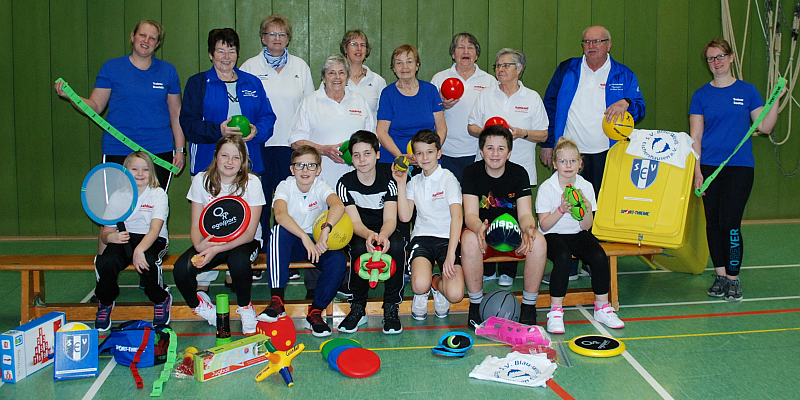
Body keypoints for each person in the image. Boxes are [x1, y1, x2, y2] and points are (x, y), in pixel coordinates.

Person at [180, 28, 276, 292]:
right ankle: (203, 276)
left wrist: (258, 131)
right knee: (212, 220)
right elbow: (187, 124)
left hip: (248, 164)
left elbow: (269, 116)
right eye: (220, 50)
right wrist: (217, 131)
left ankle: (237, 268)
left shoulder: (252, 82)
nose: (226, 56)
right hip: (210, 167)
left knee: (243, 219)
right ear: (211, 54)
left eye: (231, 50)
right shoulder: (198, 83)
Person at [690, 38, 782, 301]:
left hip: (739, 168)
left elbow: (764, 128)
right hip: (708, 169)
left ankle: (733, 277)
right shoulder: (701, 95)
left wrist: (775, 100)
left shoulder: (748, 91)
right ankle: (720, 276)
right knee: (713, 223)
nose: (716, 62)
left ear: (731, 58)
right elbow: (695, 137)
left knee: (730, 223)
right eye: (711, 58)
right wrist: (697, 171)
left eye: (721, 56)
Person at [54, 20, 185, 190]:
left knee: (153, 208)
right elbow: (95, 106)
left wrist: (180, 149)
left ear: (158, 44)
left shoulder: (168, 71)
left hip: (159, 148)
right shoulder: (112, 68)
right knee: (119, 210)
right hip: (118, 148)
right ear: (132, 37)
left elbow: (176, 112)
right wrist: (71, 96)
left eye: (152, 38)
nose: (146, 41)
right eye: (142, 35)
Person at [467, 48, 547, 286]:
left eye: (506, 65)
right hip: (488, 169)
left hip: (519, 169)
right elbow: (471, 126)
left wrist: (521, 133)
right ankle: (487, 264)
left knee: (512, 214)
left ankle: (508, 270)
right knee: (488, 211)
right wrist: (492, 137)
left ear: (519, 69)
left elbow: (543, 134)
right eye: (498, 66)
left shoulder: (532, 97)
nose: (500, 70)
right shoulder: (486, 95)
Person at [172, 136, 266, 335]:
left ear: (243, 161)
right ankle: (201, 307)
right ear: (216, 156)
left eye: (236, 157)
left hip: (245, 242)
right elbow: (195, 226)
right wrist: (200, 247)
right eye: (225, 155)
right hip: (210, 242)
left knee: (239, 262)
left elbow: (249, 234)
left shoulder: (253, 182)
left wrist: (216, 250)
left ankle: (245, 307)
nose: (230, 162)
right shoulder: (201, 180)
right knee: (182, 268)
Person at [460, 126, 547, 328]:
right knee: (468, 240)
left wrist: (528, 229)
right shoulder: (471, 172)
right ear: (481, 152)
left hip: (513, 238)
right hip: (484, 235)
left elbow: (525, 214)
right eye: (490, 148)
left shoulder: (519, 173)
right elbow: (470, 215)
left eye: (501, 148)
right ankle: (476, 305)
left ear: (509, 153)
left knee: (539, 241)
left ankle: (528, 306)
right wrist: (479, 228)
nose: (495, 153)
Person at [541, 25, 645, 193]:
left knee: (602, 206)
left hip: (607, 153)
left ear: (609, 45)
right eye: (587, 41)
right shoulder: (566, 69)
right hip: (569, 153)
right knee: (568, 206)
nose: (591, 46)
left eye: (597, 41)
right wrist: (547, 142)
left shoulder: (624, 74)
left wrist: (627, 103)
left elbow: (640, 108)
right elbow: (549, 106)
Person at [257, 146, 347, 337]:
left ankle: (315, 313)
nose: (305, 170)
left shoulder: (321, 186)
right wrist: (304, 236)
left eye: (310, 165)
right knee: (277, 233)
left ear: (318, 169)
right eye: (299, 165)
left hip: (316, 242)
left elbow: (338, 205)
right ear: (292, 169)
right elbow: (280, 214)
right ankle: (277, 300)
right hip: (293, 242)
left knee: (338, 260)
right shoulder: (285, 186)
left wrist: (326, 229)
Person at [536, 138, 623, 333]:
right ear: (555, 164)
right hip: (552, 235)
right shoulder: (547, 188)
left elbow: (586, 226)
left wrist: (587, 208)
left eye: (573, 161)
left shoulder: (587, 187)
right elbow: (544, 225)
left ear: (580, 163)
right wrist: (561, 209)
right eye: (563, 161)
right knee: (563, 258)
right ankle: (556, 312)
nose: (568, 165)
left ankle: (602, 307)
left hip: (577, 233)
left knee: (599, 256)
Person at [241, 13, 315, 239]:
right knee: (259, 201)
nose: (276, 38)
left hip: (291, 147)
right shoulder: (249, 67)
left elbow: (309, 107)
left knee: (288, 203)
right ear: (263, 38)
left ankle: (287, 253)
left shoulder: (300, 67)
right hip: (258, 145)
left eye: (282, 34)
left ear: (288, 39)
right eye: (271, 34)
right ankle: (259, 252)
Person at [336, 131, 405, 334]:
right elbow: (354, 221)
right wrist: (368, 236)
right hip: (360, 231)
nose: (362, 159)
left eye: (367, 153)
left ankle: (391, 307)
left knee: (398, 245)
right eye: (356, 155)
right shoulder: (344, 183)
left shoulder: (389, 178)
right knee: (358, 249)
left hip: (386, 228)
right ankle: (358, 306)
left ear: (377, 154)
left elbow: (391, 219)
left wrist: (382, 236)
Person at [93, 152, 171, 331]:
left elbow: (155, 229)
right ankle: (105, 302)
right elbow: (107, 232)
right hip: (126, 237)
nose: (140, 173)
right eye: (134, 169)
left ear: (151, 173)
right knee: (107, 260)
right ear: (125, 172)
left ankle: (161, 299)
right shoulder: (118, 196)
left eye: (145, 170)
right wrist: (110, 237)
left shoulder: (158, 194)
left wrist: (139, 251)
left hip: (153, 239)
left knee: (148, 262)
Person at [392, 129, 464, 321]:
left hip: (447, 239)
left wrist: (451, 255)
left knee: (456, 294)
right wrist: (401, 183)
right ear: (414, 156)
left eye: (430, 152)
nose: (425, 157)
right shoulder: (413, 182)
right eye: (420, 153)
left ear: (439, 153)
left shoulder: (448, 179)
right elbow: (405, 217)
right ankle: (423, 292)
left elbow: (457, 217)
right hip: (422, 239)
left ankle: (436, 283)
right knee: (418, 285)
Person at [289, 54, 376, 187]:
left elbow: (372, 140)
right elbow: (295, 142)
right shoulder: (310, 102)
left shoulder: (359, 101)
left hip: (356, 180)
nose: (337, 77)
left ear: (347, 78)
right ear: (323, 78)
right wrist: (323, 150)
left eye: (341, 73)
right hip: (321, 180)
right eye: (331, 73)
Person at [431, 32, 496, 183]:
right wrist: (442, 106)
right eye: (461, 47)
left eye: (471, 48)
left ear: (477, 55)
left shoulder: (489, 81)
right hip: (446, 151)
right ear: (453, 54)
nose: (466, 51)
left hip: (478, 152)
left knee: (476, 200)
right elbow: (429, 115)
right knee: (449, 201)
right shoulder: (439, 78)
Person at [376, 45, 447, 165]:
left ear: (417, 65)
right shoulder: (388, 94)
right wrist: (400, 157)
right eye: (399, 63)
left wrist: (429, 153)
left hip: (427, 161)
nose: (405, 67)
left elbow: (441, 128)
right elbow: (382, 132)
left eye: (409, 61)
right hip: (394, 160)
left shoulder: (430, 90)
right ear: (393, 68)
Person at [337, 30, 386, 115]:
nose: (359, 48)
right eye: (353, 44)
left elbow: (384, 117)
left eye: (362, 45)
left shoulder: (378, 81)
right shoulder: (334, 79)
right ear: (345, 48)